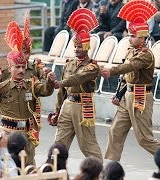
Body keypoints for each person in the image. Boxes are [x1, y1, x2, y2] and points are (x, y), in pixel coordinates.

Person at [0, 21, 56, 166]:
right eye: (17, 67)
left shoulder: (31, 83)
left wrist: (50, 81)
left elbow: (45, 90)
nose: (21, 70)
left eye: (23, 67)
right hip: (7, 132)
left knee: (28, 166)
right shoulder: (1, 87)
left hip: (26, 131)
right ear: (10, 67)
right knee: (7, 166)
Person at [100, 0, 160, 161]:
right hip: (128, 96)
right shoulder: (132, 50)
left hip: (141, 97)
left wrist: (111, 70)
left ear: (143, 37)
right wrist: (118, 94)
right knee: (115, 131)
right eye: (129, 35)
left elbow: (129, 67)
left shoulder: (146, 54)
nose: (130, 39)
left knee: (144, 139)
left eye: (133, 36)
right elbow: (126, 77)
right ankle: (110, 165)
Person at [52, 9, 103, 161]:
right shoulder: (69, 64)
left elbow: (78, 78)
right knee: (59, 145)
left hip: (84, 106)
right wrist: (57, 111)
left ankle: (99, 173)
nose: (76, 49)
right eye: (75, 46)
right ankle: (55, 172)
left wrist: (62, 82)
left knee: (88, 145)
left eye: (80, 47)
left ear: (87, 47)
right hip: (67, 105)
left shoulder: (93, 67)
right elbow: (62, 91)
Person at [0, 13, 49, 128]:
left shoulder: (35, 66)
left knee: (30, 142)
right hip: (11, 115)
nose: (26, 55)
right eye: (24, 52)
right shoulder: (5, 73)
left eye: (28, 52)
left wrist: (46, 73)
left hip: (30, 111)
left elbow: (44, 82)